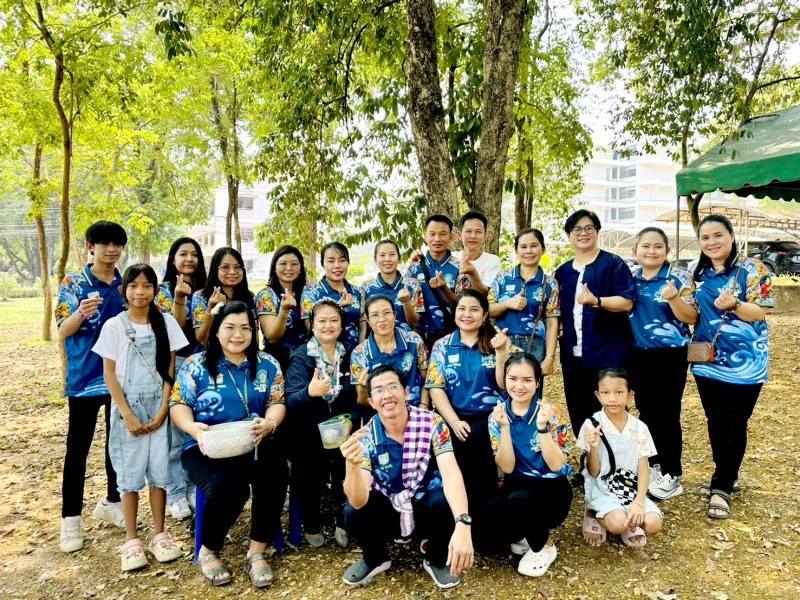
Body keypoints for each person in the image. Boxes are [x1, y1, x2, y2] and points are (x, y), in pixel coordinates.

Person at [170, 301, 288, 588]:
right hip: (204, 447)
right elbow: (178, 404)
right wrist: (192, 427)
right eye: (230, 328)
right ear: (217, 331)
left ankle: (257, 551)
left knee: (276, 471)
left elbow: (277, 402)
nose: (238, 334)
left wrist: (270, 423)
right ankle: (208, 551)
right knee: (229, 488)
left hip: (252, 442)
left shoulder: (267, 364)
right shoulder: (195, 365)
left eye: (245, 328)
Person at [340, 365, 474, 589]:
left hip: (425, 506)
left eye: (393, 387)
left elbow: (451, 473)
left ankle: (436, 557)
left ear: (406, 392)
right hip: (389, 508)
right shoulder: (364, 437)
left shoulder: (433, 422)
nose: (387, 395)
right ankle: (375, 557)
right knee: (353, 512)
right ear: (371, 402)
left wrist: (463, 523)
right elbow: (358, 500)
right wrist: (352, 465)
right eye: (379, 390)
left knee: (446, 501)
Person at [92, 264, 187, 571]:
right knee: (129, 476)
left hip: (160, 404)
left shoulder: (167, 323)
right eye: (133, 286)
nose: (140, 292)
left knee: (160, 472)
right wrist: (127, 414)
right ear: (124, 291)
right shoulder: (114, 326)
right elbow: (109, 375)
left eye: (147, 286)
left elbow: (170, 369)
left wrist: (164, 408)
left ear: (156, 291)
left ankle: (160, 534)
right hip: (127, 409)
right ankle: (131, 541)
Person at [691, 214, 773, 520]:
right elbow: (692, 313)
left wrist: (734, 305)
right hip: (706, 359)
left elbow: (761, 311)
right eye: (705, 237)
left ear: (732, 237)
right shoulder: (697, 273)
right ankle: (725, 477)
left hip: (746, 363)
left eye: (718, 235)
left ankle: (722, 484)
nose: (712, 242)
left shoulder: (753, 269)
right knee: (716, 421)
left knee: (734, 422)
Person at [56, 221, 128, 553]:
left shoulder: (127, 284)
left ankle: (113, 502)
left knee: (117, 446)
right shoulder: (72, 284)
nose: (111, 250)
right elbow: (62, 329)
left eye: (117, 244)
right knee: (78, 450)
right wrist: (81, 314)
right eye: (104, 244)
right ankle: (70, 520)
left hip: (121, 378)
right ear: (90, 247)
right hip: (85, 380)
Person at [554, 210, 635, 485]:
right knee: (580, 411)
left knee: (611, 409)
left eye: (589, 228)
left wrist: (597, 301)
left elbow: (627, 302)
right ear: (569, 236)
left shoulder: (613, 264)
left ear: (597, 232)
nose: (583, 233)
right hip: (573, 355)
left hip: (608, 353)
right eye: (577, 229)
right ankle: (590, 465)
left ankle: (618, 467)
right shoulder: (563, 271)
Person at [485, 353, 572, 577]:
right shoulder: (496, 416)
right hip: (518, 481)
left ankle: (545, 546)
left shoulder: (552, 414)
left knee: (521, 500)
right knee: (486, 541)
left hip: (552, 486)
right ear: (505, 379)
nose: (519, 386)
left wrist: (542, 427)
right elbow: (507, 467)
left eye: (527, 380)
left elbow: (556, 465)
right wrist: (505, 427)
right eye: (513, 379)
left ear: (537, 382)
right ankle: (525, 532)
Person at [628, 227, 698, 500]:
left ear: (668, 251)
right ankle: (653, 465)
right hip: (637, 353)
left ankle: (671, 472)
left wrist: (674, 298)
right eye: (645, 246)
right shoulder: (630, 278)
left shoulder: (679, 277)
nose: (651, 251)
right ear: (635, 250)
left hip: (671, 355)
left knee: (667, 413)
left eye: (658, 246)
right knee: (646, 411)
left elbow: (691, 317)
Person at [425, 290, 510, 516]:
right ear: (454, 313)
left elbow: (504, 385)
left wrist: (501, 351)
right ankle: (459, 514)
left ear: (485, 315)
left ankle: (485, 513)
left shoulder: (497, 341)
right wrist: (454, 422)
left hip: (491, 416)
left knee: (476, 439)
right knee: (454, 445)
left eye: (474, 310)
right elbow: (435, 388)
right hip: (453, 414)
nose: (467, 314)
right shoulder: (442, 346)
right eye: (462, 309)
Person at [285, 298, 360, 549]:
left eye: (334, 320)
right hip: (308, 430)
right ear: (312, 324)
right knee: (307, 470)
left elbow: (358, 400)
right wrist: (309, 392)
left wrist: (350, 420)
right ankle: (311, 524)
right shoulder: (301, 356)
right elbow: (290, 402)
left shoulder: (351, 354)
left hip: (342, 428)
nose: (328, 325)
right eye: (322, 320)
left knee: (347, 466)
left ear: (341, 325)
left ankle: (343, 520)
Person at [578, 368, 662, 548]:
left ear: (630, 395)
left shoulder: (640, 428)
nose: (612, 399)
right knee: (617, 525)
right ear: (597, 395)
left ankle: (629, 518)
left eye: (619, 392)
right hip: (602, 485)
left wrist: (639, 502)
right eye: (605, 393)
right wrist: (593, 448)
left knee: (654, 524)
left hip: (628, 486)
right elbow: (594, 472)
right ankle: (593, 511)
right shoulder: (591, 425)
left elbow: (643, 469)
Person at [155, 237, 207, 520]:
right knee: (175, 430)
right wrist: (179, 299)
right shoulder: (161, 291)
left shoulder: (204, 292)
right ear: (172, 258)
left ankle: (192, 486)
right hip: (173, 364)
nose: (189, 259)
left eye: (194, 254)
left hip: (201, 365)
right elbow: (173, 331)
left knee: (196, 427)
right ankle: (175, 491)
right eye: (183, 254)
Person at [489, 228, 559, 379]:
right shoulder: (502, 278)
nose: (528, 251)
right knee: (501, 387)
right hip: (503, 342)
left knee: (531, 389)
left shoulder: (550, 283)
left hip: (535, 344)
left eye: (534, 246)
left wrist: (549, 358)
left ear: (543, 249)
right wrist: (507, 304)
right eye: (523, 246)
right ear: (516, 251)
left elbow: (552, 323)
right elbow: (488, 310)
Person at [350, 294, 429, 409]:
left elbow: (427, 379)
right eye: (375, 315)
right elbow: (363, 403)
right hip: (381, 414)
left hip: (415, 410)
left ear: (395, 315)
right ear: (367, 320)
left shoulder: (414, 340)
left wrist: (424, 406)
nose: (382, 319)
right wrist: (363, 388)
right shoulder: (359, 354)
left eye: (387, 313)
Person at [407, 215, 465, 351]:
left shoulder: (460, 268)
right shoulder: (414, 268)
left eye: (443, 234)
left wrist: (444, 289)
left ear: (451, 237)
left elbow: (464, 306)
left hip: (450, 338)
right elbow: (407, 305)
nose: (437, 239)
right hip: (418, 339)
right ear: (425, 237)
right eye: (432, 234)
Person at [301, 242, 366, 351]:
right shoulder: (310, 293)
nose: (337, 266)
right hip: (322, 354)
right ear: (323, 264)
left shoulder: (359, 292)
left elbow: (363, 328)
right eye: (331, 261)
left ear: (348, 262)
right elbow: (309, 327)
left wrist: (360, 353)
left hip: (353, 353)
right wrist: (338, 307)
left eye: (342, 260)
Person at [256, 245, 309, 374]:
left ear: (300, 269)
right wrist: (284, 311)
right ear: (274, 268)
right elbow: (273, 338)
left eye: (294, 264)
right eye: (283, 263)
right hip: (277, 359)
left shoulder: (308, 293)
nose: (289, 268)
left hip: (305, 358)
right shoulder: (266, 296)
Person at [192, 247, 255, 347]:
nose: (232, 272)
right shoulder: (201, 296)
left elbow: (254, 336)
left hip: (243, 353)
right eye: (225, 267)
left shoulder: (250, 298)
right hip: (212, 353)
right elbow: (202, 339)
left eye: (237, 267)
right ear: (215, 269)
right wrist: (212, 309)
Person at [361, 239, 424, 331]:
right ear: (375, 260)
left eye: (392, 254)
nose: (387, 259)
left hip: (406, 339)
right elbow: (363, 323)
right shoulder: (366, 287)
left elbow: (414, 324)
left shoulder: (413, 285)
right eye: (382, 255)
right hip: (378, 339)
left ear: (399, 259)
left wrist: (406, 303)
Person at [456, 211, 503, 294]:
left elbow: (487, 294)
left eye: (478, 232)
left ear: (485, 236)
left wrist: (473, 274)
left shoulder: (492, 261)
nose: (473, 236)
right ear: (460, 235)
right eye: (468, 231)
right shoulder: (450, 258)